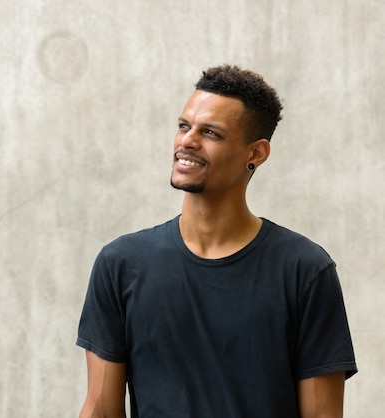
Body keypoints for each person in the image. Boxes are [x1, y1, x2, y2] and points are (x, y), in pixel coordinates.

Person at [76, 65, 357, 418]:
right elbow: (101, 410)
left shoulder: (304, 270)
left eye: (211, 132)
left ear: (256, 153)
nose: (187, 141)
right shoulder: (121, 264)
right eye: (184, 126)